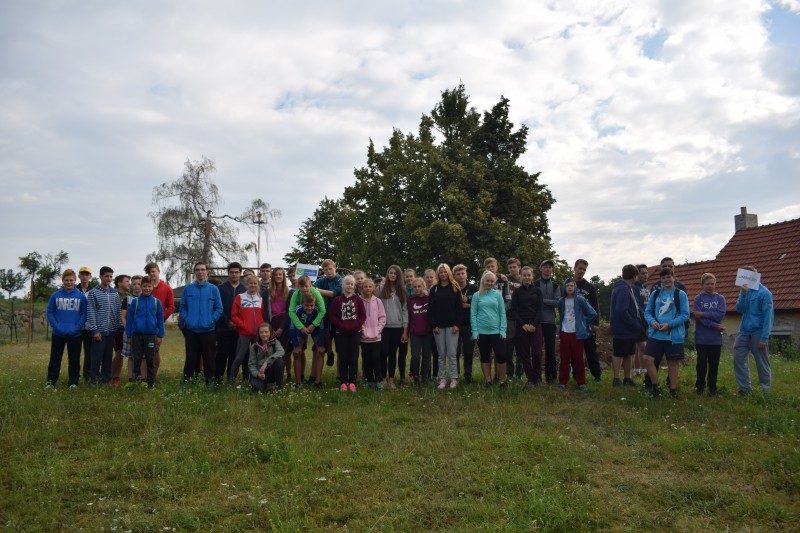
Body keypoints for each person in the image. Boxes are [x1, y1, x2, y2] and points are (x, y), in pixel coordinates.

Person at [643, 266, 690, 398]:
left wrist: (669, 325)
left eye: (669, 277)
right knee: (647, 359)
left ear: (673, 277)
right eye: (663, 278)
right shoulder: (655, 294)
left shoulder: (680, 294)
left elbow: (685, 315)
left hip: (673, 335)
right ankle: (655, 387)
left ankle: (673, 391)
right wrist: (652, 321)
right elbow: (647, 312)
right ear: (660, 280)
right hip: (656, 334)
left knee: (672, 363)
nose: (666, 280)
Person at [180, 262, 223, 387]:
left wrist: (211, 320)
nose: (200, 272)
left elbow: (219, 308)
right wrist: (188, 319)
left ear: (207, 272)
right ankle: (187, 380)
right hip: (192, 329)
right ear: (194, 272)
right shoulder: (188, 289)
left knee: (209, 357)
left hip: (208, 329)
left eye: (203, 269)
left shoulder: (213, 289)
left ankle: (210, 381)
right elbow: (183, 307)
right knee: (191, 357)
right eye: (198, 270)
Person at [733, 266, 774, 395]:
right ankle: (745, 389)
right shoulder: (744, 291)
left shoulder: (765, 293)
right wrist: (744, 295)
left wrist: (764, 337)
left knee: (762, 362)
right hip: (744, 331)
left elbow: (768, 317)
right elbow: (740, 309)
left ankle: (765, 390)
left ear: (756, 276)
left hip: (758, 332)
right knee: (738, 358)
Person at [45, 269, 87, 390]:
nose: (69, 282)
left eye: (71, 280)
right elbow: (50, 312)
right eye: (66, 280)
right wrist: (56, 326)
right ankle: (51, 382)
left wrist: (77, 327)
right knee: (55, 358)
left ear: (75, 280)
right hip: (58, 333)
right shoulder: (55, 295)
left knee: (74, 359)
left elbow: (84, 314)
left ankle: (73, 382)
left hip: (75, 334)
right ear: (62, 280)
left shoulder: (81, 296)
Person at [556, 278, 597, 391]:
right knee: (564, 358)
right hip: (564, 332)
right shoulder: (561, 301)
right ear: (564, 288)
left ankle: (581, 382)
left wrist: (583, 323)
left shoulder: (580, 299)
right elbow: (561, 314)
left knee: (578, 359)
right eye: (567, 286)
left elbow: (593, 314)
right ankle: (562, 381)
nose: (569, 288)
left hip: (577, 333)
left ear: (575, 287)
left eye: (571, 285)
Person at [125, 275, 164, 388]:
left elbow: (160, 320)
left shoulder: (156, 302)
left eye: (149, 286)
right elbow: (129, 319)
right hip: (136, 335)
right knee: (136, 359)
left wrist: (160, 335)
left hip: (151, 336)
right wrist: (128, 335)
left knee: (150, 360)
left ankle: (151, 383)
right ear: (141, 287)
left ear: (152, 287)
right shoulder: (135, 302)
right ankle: (134, 383)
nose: (147, 288)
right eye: (145, 286)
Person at [229, 275, 269, 386]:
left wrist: (262, 328)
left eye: (255, 283)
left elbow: (262, 315)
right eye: (251, 283)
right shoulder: (240, 297)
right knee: (239, 358)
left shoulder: (260, 299)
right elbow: (234, 316)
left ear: (258, 285)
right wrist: (243, 325)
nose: (253, 285)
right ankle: (231, 382)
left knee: (257, 359)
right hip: (244, 333)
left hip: (258, 334)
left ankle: (254, 381)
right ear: (246, 284)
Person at [86, 266, 122, 385]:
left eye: (111, 276)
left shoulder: (114, 293)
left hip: (111, 331)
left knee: (107, 358)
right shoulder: (93, 293)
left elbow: (117, 311)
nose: (109, 279)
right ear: (101, 276)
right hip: (99, 332)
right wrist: (94, 330)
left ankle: (105, 380)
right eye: (106, 276)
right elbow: (91, 312)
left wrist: (118, 327)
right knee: (96, 358)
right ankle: (94, 381)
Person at [566, 259, 601, 381]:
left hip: (587, 324)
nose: (582, 271)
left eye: (584, 269)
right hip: (572, 324)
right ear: (574, 268)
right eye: (580, 268)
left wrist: (595, 323)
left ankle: (597, 375)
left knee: (590, 350)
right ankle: (576, 375)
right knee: (575, 351)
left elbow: (595, 305)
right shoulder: (568, 285)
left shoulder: (589, 287)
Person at [330, 275, 366, 392]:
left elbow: (363, 315)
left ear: (354, 286)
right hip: (341, 333)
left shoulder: (358, 300)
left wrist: (356, 326)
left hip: (355, 332)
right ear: (343, 285)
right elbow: (333, 316)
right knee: (343, 357)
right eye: (347, 283)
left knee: (353, 357)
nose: (349, 286)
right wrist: (341, 326)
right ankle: (343, 382)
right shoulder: (337, 300)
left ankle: (352, 382)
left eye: (351, 284)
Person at [471, 271, 508, 387]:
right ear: (483, 281)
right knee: (485, 356)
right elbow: (473, 314)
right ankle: (488, 380)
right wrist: (475, 331)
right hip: (481, 332)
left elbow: (502, 313)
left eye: (492, 281)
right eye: (487, 280)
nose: (490, 283)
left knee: (501, 355)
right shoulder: (476, 295)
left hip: (496, 331)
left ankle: (502, 380)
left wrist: (503, 330)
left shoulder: (498, 294)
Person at [288, 275, 326, 386]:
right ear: (298, 286)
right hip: (301, 321)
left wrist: (314, 325)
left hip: (315, 321)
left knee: (320, 350)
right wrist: (301, 327)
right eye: (302, 286)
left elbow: (323, 310)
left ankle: (318, 381)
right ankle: (298, 382)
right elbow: (291, 312)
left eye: (306, 286)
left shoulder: (316, 293)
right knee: (297, 352)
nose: (304, 289)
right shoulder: (296, 294)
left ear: (310, 285)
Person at [428, 264, 462, 389]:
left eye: (445, 272)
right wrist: (433, 325)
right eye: (440, 272)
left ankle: (453, 378)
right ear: (438, 274)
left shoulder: (455, 288)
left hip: (452, 326)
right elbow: (430, 309)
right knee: (441, 354)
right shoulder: (434, 289)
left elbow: (459, 308)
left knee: (452, 354)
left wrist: (457, 324)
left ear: (448, 273)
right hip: (438, 327)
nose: (443, 274)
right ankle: (442, 378)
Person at [691, 273, 726, 395]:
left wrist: (704, 314)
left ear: (715, 284)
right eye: (707, 284)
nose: (710, 286)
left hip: (716, 339)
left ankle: (712, 387)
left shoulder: (720, 298)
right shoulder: (698, 298)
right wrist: (715, 326)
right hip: (701, 338)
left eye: (712, 284)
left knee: (714, 364)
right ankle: (700, 386)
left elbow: (720, 315)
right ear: (703, 285)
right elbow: (698, 318)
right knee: (701, 364)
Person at [511, 266, 544, 387]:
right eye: (524, 275)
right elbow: (514, 310)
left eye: (528, 275)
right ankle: (530, 378)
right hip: (522, 326)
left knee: (537, 353)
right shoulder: (517, 292)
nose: (526, 277)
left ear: (532, 276)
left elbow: (540, 309)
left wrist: (534, 325)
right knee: (524, 354)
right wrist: (523, 324)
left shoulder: (538, 291)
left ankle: (537, 378)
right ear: (521, 276)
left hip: (536, 326)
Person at [609, 265, 642, 388]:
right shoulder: (623, 289)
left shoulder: (627, 287)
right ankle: (616, 379)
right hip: (622, 328)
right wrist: (633, 323)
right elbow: (621, 310)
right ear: (634, 276)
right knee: (619, 353)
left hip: (628, 329)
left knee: (629, 353)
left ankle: (628, 378)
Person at [379, 265, 409, 389]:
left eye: (395, 273)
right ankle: (383, 378)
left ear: (398, 276)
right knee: (383, 352)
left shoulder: (402, 291)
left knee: (392, 353)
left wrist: (405, 330)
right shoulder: (380, 289)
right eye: (390, 273)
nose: (392, 275)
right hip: (384, 327)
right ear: (387, 274)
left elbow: (405, 311)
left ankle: (391, 379)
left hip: (398, 327)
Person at [216, 262, 247, 384]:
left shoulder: (244, 290)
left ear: (240, 274)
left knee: (234, 355)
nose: (234, 274)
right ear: (228, 273)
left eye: (236, 272)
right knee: (222, 355)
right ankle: (218, 379)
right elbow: (217, 307)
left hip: (238, 329)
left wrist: (238, 323)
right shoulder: (220, 289)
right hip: (223, 328)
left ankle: (231, 379)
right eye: (231, 272)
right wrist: (227, 321)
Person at [145, 262, 175, 378]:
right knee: (143, 351)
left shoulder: (167, 288)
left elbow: (171, 307)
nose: (152, 274)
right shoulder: (145, 287)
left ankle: (153, 375)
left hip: (156, 325)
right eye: (149, 272)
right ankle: (143, 375)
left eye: (153, 271)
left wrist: (161, 318)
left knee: (155, 350)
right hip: (142, 324)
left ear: (158, 271)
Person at [535, 259, 559, 384]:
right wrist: (548, 302)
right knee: (537, 350)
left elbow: (557, 302)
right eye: (545, 266)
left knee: (550, 350)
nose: (548, 269)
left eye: (550, 267)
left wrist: (542, 300)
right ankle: (536, 377)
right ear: (540, 268)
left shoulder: (555, 285)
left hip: (550, 322)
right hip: (537, 321)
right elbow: (532, 300)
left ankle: (551, 377)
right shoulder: (535, 284)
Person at [360, 278, 386, 390]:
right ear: (362, 288)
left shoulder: (378, 301)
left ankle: (379, 380)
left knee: (376, 358)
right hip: (364, 337)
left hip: (376, 337)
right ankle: (369, 380)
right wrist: (362, 330)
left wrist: (378, 329)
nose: (368, 289)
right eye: (365, 287)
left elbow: (382, 317)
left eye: (370, 287)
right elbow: (358, 317)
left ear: (373, 288)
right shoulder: (359, 301)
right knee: (366, 359)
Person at [453, 264, 478, 383]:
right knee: (455, 352)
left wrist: (468, 305)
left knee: (468, 352)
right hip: (455, 324)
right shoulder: (452, 289)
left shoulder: (474, 289)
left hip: (469, 325)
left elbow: (480, 306)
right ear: (454, 276)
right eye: (458, 274)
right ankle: (455, 375)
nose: (461, 276)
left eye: (463, 273)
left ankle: (468, 375)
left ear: (466, 274)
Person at [248, 322, 285, 393]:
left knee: (279, 361)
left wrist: (266, 362)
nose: (264, 334)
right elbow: (251, 364)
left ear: (270, 332)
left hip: (271, 371)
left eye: (266, 332)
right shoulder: (254, 346)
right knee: (257, 389)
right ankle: (262, 384)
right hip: (259, 372)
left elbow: (281, 352)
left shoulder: (275, 342)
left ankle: (278, 388)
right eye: (261, 332)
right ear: (258, 333)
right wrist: (257, 374)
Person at [407, 278, 431, 385]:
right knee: (415, 356)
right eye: (415, 287)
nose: (417, 288)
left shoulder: (429, 298)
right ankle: (415, 376)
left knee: (426, 356)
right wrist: (407, 331)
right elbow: (408, 316)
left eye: (419, 286)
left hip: (428, 332)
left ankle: (424, 377)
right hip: (415, 332)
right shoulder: (410, 300)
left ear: (424, 286)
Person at [269, 267, 291, 380]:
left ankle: (280, 379)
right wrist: (270, 328)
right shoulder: (268, 292)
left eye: (280, 274)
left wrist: (282, 328)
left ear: (283, 276)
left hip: (284, 323)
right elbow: (265, 311)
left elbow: (289, 311)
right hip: (272, 323)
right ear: (273, 277)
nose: (278, 276)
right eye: (276, 274)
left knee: (282, 351)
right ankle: (271, 377)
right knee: (271, 351)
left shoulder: (289, 292)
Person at [109, 273, 131, 387]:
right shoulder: (112, 295)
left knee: (121, 352)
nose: (129, 283)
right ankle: (113, 376)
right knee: (118, 353)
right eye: (127, 281)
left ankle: (116, 376)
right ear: (119, 283)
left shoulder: (129, 296)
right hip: (114, 329)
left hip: (124, 328)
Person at [505, 258, 523, 380]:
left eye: (514, 267)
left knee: (521, 348)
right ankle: (510, 374)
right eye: (510, 267)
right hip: (509, 318)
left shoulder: (524, 279)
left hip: (521, 319)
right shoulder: (504, 279)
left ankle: (519, 374)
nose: (512, 269)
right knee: (509, 349)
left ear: (519, 267)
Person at [77, 266, 94, 383]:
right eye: (82, 274)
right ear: (79, 276)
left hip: (89, 327)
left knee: (89, 354)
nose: (84, 277)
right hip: (76, 327)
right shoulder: (74, 290)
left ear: (90, 277)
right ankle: (75, 375)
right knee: (75, 353)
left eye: (87, 275)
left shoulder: (94, 291)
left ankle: (87, 376)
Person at [632, 264, 650, 377]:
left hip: (648, 321)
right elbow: (637, 306)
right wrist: (646, 318)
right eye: (642, 273)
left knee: (639, 348)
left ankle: (636, 371)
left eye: (646, 273)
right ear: (637, 274)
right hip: (639, 321)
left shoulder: (647, 288)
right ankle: (645, 372)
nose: (645, 275)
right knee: (643, 347)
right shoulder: (634, 288)